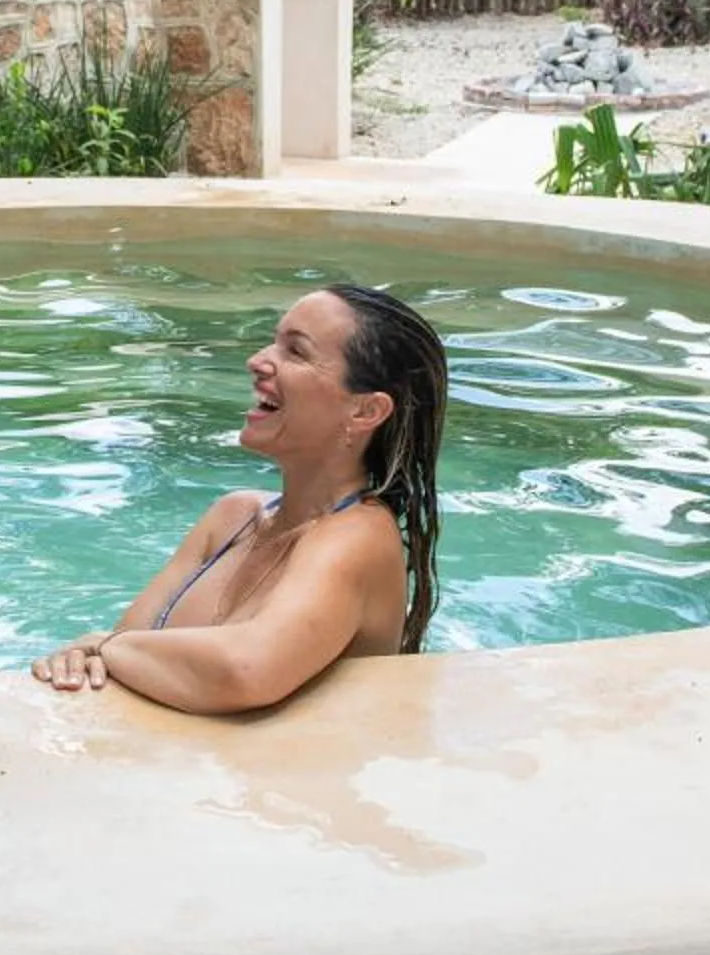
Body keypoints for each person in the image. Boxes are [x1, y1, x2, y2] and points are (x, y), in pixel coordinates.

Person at [31, 283, 447, 714]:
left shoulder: (358, 536)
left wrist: (106, 647)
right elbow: (121, 651)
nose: (258, 360)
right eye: (274, 341)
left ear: (365, 412)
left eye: (296, 352)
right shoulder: (232, 517)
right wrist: (92, 652)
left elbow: (244, 672)